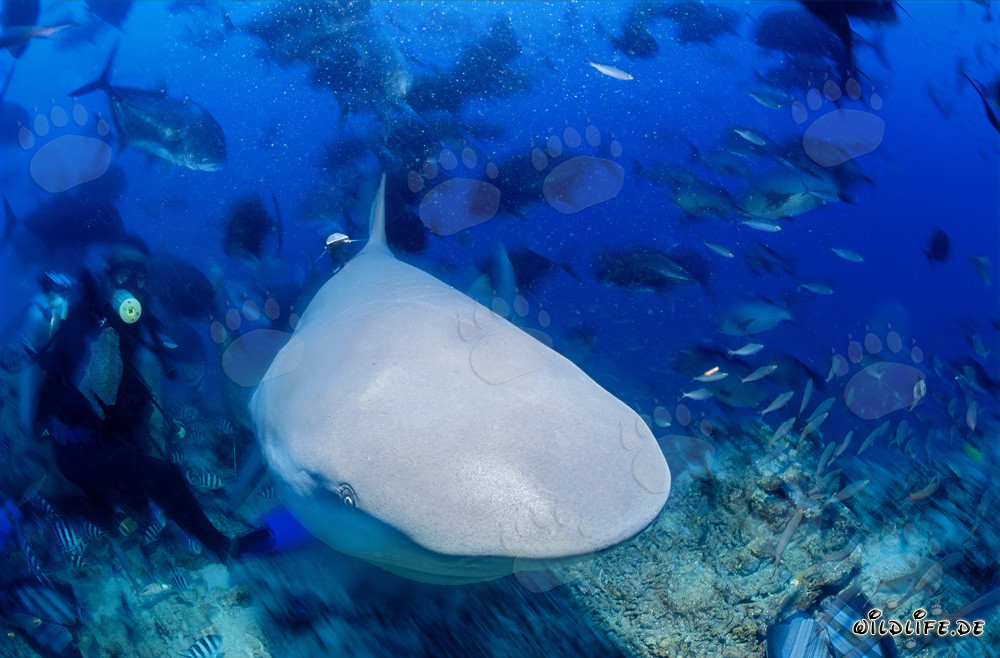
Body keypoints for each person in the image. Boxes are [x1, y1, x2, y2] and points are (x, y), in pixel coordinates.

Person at [19, 238, 238, 560]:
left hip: (111, 445)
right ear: (106, 276)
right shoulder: (84, 321)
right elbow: (86, 395)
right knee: (166, 477)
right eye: (124, 274)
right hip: (77, 447)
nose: (132, 286)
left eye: (141, 278)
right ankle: (222, 546)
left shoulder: (136, 327)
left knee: (130, 510)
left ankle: (58, 507)